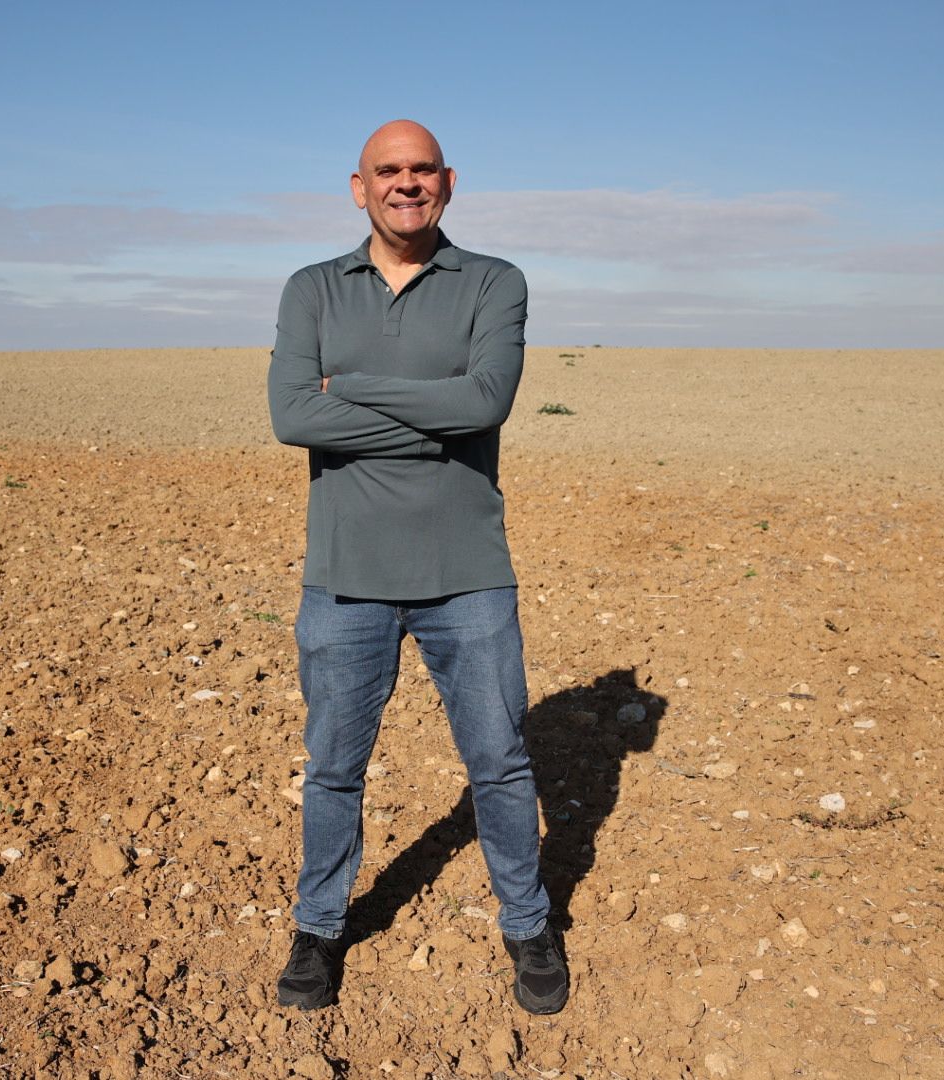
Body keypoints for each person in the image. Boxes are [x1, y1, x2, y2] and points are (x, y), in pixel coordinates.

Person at [266, 120, 567, 1015]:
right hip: (345, 574)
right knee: (332, 768)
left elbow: (487, 402)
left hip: (467, 573)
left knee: (501, 762)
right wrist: (436, 417)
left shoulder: (493, 282)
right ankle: (318, 927)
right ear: (358, 188)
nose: (407, 183)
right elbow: (291, 419)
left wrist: (348, 391)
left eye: (422, 169)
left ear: (449, 182)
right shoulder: (312, 289)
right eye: (387, 171)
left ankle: (527, 924)